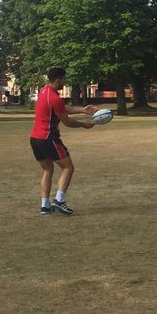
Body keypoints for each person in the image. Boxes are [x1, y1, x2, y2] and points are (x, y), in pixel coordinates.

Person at [30, 67, 96, 216]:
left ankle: (45, 207)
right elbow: (67, 121)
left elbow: (60, 108)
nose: (65, 82)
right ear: (58, 79)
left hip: (35, 138)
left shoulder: (44, 91)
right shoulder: (54, 97)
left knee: (47, 169)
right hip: (48, 139)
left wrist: (82, 110)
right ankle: (59, 200)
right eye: (64, 79)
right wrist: (84, 125)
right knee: (68, 168)